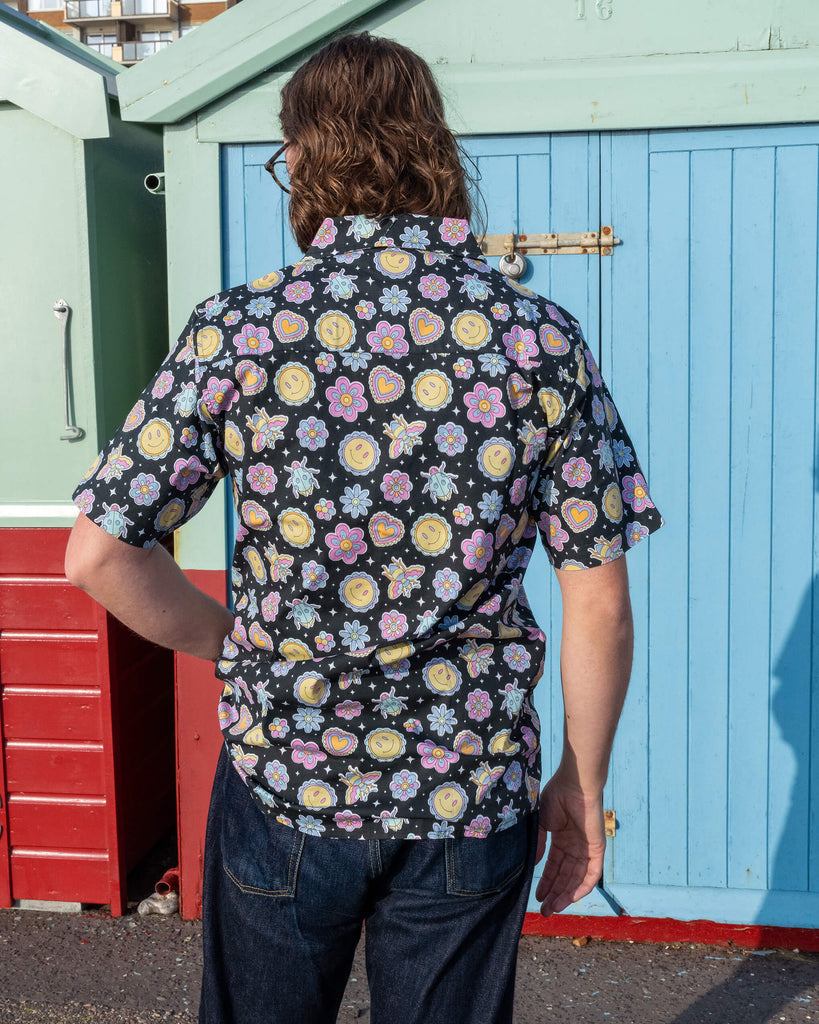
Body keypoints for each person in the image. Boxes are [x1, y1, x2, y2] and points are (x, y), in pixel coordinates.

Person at [65, 31, 663, 1024]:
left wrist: (230, 641)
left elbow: (98, 551)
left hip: (288, 774)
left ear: (303, 160)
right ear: (433, 149)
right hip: (466, 791)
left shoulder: (239, 332)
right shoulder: (537, 339)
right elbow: (598, 600)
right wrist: (579, 782)